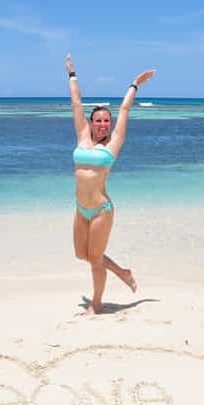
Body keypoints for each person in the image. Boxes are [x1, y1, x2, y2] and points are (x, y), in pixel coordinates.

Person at [65, 53, 155, 315]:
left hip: (101, 210)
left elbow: (125, 109)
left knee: (94, 260)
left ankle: (96, 305)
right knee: (81, 255)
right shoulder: (82, 136)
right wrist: (72, 74)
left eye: (107, 121)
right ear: (91, 123)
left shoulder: (113, 144)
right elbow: (76, 103)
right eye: (99, 121)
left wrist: (134, 84)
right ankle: (122, 272)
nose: (103, 124)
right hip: (80, 209)